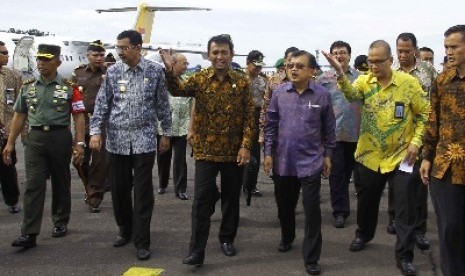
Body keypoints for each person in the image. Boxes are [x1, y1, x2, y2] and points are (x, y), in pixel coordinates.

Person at [323, 40, 430, 276]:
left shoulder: (409, 84)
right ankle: (363, 234)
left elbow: (425, 115)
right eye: (370, 61)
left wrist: (416, 142)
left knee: (405, 208)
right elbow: (350, 96)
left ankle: (404, 256)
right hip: (370, 155)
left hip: (403, 157)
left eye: (378, 61)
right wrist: (340, 73)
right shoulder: (364, 81)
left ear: (390, 61)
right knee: (367, 202)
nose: (373, 66)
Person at [159, 34, 254, 266]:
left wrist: (245, 146)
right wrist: (170, 70)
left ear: (231, 54)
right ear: (209, 55)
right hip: (205, 150)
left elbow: (250, 117)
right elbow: (177, 90)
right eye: (215, 52)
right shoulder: (199, 79)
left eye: (224, 52)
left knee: (231, 198)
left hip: (233, 151)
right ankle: (197, 250)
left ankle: (227, 238)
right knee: (201, 200)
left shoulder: (242, 82)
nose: (219, 57)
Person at [89, 30, 171, 261]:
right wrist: (95, 132)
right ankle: (125, 229)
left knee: (144, 192)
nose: (120, 52)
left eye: (124, 48)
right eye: (118, 48)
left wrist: (166, 133)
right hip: (117, 141)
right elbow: (102, 104)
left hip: (144, 140)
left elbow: (163, 105)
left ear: (137, 47)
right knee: (119, 189)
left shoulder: (155, 72)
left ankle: (142, 240)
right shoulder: (113, 72)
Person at [3, 44, 86, 249]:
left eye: (46, 60)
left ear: (57, 62)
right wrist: (10, 143)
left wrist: (80, 143)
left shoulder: (70, 87)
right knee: (33, 185)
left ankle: (60, 221)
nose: (41, 63)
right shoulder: (28, 86)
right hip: (35, 139)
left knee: (61, 181)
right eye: (39, 59)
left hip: (60, 138)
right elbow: (20, 115)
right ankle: (29, 232)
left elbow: (78, 116)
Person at [264, 50, 336, 275]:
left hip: (311, 161)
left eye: (299, 66)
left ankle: (312, 257)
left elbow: (329, 128)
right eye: (291, 65)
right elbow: (271, 124)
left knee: (312, 210)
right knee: (285, 207)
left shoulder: (322, 95)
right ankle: (287, 236)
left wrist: (328, 155)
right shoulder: (279, 93)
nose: (293, 69)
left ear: (312, 71)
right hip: (283, 160)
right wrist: (268, 153)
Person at [420, 24, 465, 276]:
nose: (448, 52)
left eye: (454, 46)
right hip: (446, 166)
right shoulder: (442, 81)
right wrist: (427, 156)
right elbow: (432, 121)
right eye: (446, 47)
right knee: (449, 228)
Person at [388, 32, 437, 251]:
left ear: (415, 50)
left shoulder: (428, 71)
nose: (403, 54)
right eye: (400, 51)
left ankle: (419, 231)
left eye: (407, 51)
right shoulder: (392, 71)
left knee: (418, 184)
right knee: (396, 182)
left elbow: (435, 102)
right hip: (396, 138)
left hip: (421, 137)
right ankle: (394, 219)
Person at [317, 41, 361, 228]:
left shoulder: (361, 78)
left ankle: (366, 212)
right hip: (333, 135)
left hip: (358, 134)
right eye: (335, 53)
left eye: (343, 53)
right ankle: (340, 211)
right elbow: (318, 106)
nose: (339, 56)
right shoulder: (323, 79)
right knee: (337, 175)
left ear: (350, 56)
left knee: (361, 176)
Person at [71, 40, 108, 213]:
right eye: (96, 55)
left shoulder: (110, 73)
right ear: (88, 55)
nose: (99, 58)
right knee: (80, 161)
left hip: (102, 124)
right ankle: (90, 187)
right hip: (82, 123)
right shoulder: (78, 73)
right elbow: (71, 95)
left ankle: (94, 196)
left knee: (99, 162)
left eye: (102, 55)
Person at [156, 53, 193, 200]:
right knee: (163, 157)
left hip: (182, 127)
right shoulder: (162, 80)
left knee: (180, 160)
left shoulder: (188, 82)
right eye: (184, 63)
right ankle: (162, 183)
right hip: (163, 127)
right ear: (174, 64)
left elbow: (192, 105)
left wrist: (191, 127)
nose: (186, 66)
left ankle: (180, 189)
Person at [0, 41, 22, 214]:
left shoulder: (13, 76)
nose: (7, 55)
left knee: (8, 166)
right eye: (4, 52)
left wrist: (24, 129)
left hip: (6, 130)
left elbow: (21, 105)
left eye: (7, 52)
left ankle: (12, 200)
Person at [242, 50, 267, 198]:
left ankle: (251, 185)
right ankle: (238, 183)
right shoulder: (239, 78)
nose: (258, 68)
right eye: (255, 65)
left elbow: (266, 100)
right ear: (248, 63)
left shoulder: (262, 81)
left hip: (256, 116)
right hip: (240, 116)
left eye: (260, 66)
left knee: (255, 154)